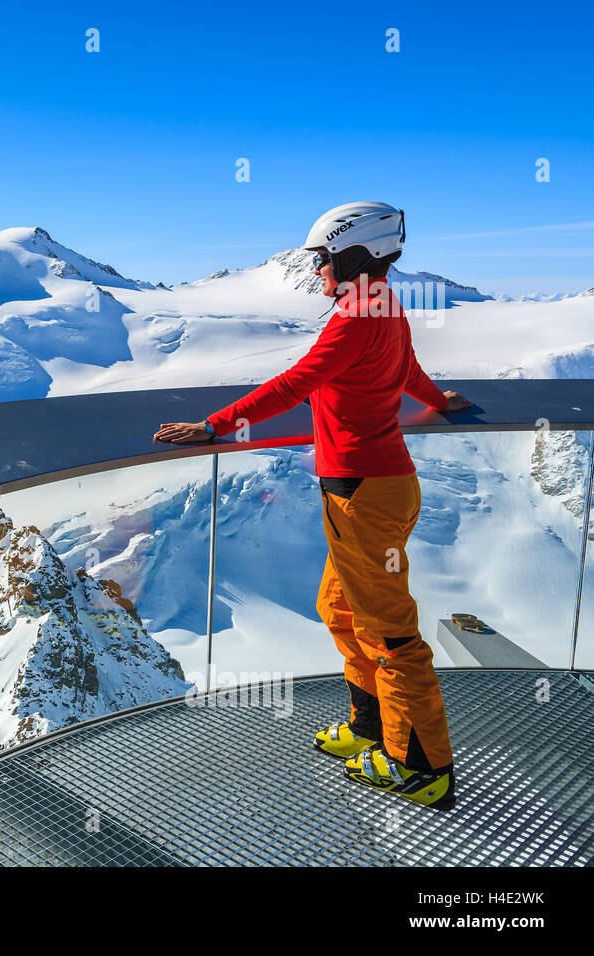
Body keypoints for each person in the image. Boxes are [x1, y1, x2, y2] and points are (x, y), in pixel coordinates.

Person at [154, 201, 470, 808]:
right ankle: (370, 725)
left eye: (324, 261)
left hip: (364, 495)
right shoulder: (383, 304)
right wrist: (440, 400)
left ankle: (421, 766)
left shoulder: (355, 316)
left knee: (391, 634)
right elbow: (407, 370)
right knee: (339, 608)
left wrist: (214, 425)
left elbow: (297, 383)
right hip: (376, 488)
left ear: (355, 256)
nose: (318, 273)